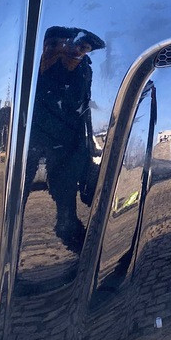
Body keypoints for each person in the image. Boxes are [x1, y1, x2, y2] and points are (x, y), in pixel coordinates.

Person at [23, 26, 105, 254]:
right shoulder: (36, 68)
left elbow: (81, 105)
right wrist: (51, 61)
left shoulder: (82, 68)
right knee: (18, 201)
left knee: (67, 213)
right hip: (34, 145)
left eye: (75, 47)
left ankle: (85, 252)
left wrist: (76, 63)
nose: (65, 51)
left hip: (69, 148)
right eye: (54, 45)